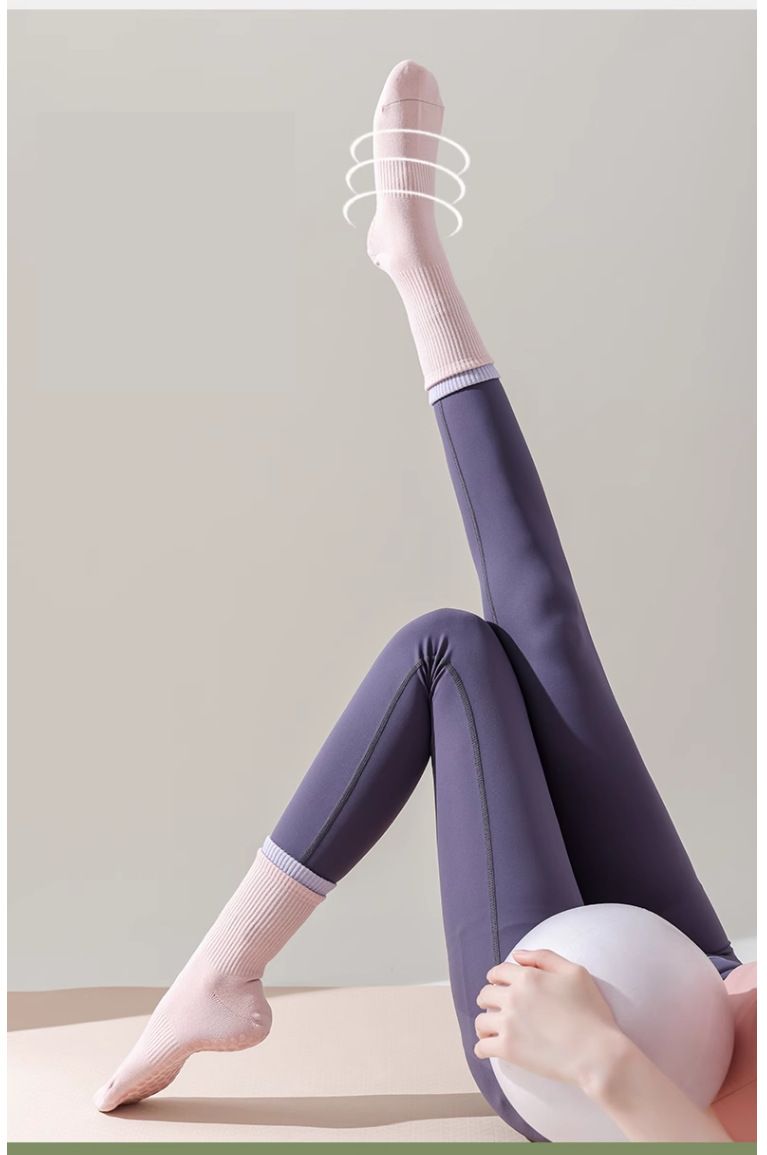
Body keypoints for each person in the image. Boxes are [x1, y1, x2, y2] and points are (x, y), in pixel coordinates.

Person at [93, 61, 755, 1141]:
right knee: (524, 623)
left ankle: (217, 973)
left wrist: (589, 1052)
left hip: (582, 1076)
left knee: (443, 650)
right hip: (705, 974)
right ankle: (414, 264)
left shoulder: (588, 1063)